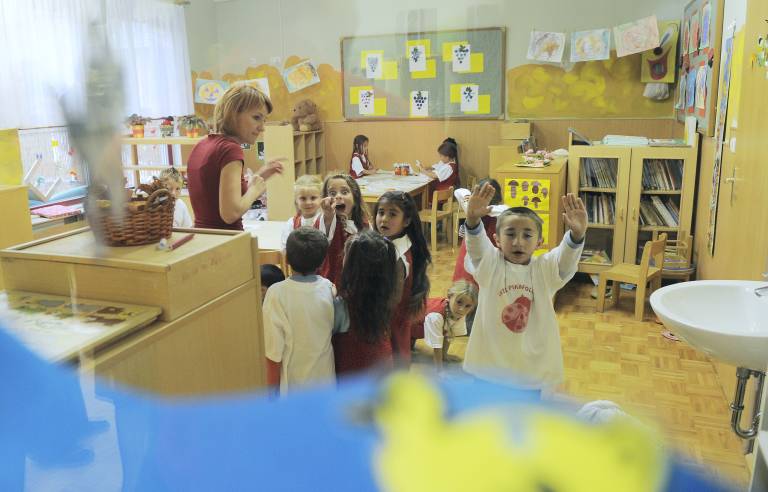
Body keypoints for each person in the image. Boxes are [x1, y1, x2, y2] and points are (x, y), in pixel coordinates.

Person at [462, 183, 587, 391]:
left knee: (524, 412)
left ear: (539, 242)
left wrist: (577, 236)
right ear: (497, 240)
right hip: (489, 366)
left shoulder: (544, 269)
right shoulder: (490, 263)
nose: (518, 242)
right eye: (510, 234)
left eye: (527, 235)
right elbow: (477, 247)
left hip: (529, 370)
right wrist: (473, 221)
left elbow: (565, 260)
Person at [187, 84, 284, 230]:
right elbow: (230, 214)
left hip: (204, 237)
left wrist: (260, 176)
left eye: (264, 120)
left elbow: (220, 197)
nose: (262, 127)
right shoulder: (230, 149)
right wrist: (255, 190)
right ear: (233, 114)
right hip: (227, 238)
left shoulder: (202, 145)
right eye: (256, 117)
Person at [263, 227, 335, 395]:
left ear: (286, 258)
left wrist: (270, 394)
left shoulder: (276, 294)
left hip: (294, 387)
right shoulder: (328, 288)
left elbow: (273, 354)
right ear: (322, 262)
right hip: (326, 381)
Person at [372, 191, 431, 365]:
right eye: (381, 212)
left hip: (389, 324)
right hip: (395, 324)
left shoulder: (397, 256)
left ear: (406, 221)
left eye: (392, 214)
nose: (384, 219)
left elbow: (392, 300)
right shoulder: (393, 243)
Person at [332, 230, 399, 375]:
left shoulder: (341, 306)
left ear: (352, 267)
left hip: (353, 378)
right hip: (382, 369)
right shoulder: (385, 298)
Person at [411, 280, 478, 371]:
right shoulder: (436, 316)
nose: (462, 309)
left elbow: (449, 333)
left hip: (417, 328)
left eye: (468, 306)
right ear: (450, 296)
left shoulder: (457, 312)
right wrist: (439, 370)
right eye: (459, 302)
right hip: (404, 329)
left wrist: (444, 356)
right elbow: (437, 346)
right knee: (402, 356)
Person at [317, 173, 369, 287]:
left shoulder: (364, 224)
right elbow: (324, 233)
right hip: (332, 285)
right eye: (332, 193)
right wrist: (328, 214)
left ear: (355, 197)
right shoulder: (328, 220)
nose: (338, 196)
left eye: (344, 192)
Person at [280, 174, 323, 251]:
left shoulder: (325, 221)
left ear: (321, 198)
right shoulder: (291, 224)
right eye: (303, 198)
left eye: (313, 198)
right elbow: (285, 249)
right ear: (296, 200)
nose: (308, 202)